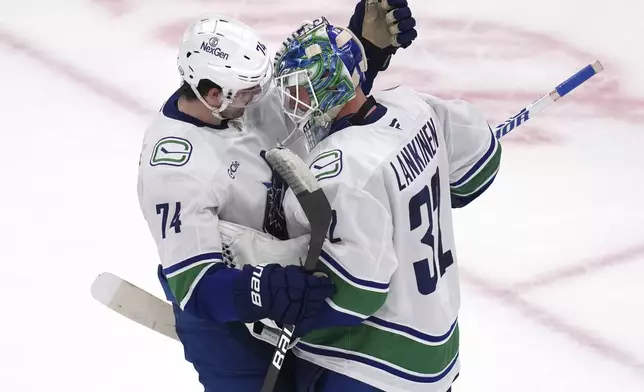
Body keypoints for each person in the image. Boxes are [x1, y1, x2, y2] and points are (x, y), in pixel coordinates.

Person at [136, 3, 418, 391]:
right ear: (213, 94)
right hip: (225, 315)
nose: (262, 95)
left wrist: (366, 50)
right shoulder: (173, 168)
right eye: (250, 91)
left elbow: (321, 105)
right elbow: (195, 284)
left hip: (292, 283)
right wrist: (264, 290)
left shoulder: (241, 97)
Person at [267, 17, 503, 392]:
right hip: (438, 348)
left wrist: (274, 301)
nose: (296, 103)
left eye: (303, 89)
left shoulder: (337, 171)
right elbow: (480, 167)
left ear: (331, 84)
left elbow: (358, 292)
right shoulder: (411, 107)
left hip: (375, 367)